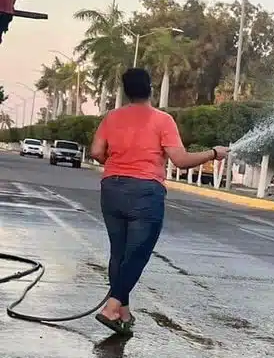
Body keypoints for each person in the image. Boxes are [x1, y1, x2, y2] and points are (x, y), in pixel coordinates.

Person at [90, 67, 228, 336]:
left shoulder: (112, 117)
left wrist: (118, 166)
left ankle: (123, 314)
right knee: (138, 254)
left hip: (112, 189)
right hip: (145, 192)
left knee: (119, 253)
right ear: (151, 88)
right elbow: (181, 160)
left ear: (125, 91)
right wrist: (213, 153)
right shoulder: (162, 120)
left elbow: (96, 151)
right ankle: (111, 307)